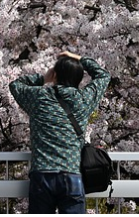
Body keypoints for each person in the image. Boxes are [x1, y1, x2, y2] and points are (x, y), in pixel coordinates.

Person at [9, 51, 111, 214]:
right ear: (78, 78)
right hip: (71, 174)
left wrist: (43, 78)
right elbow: (103, 75)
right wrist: (80, 59)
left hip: (42, 174)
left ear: (55, 75)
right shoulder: (83, 100)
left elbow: (15, 85)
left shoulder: (39, 97)